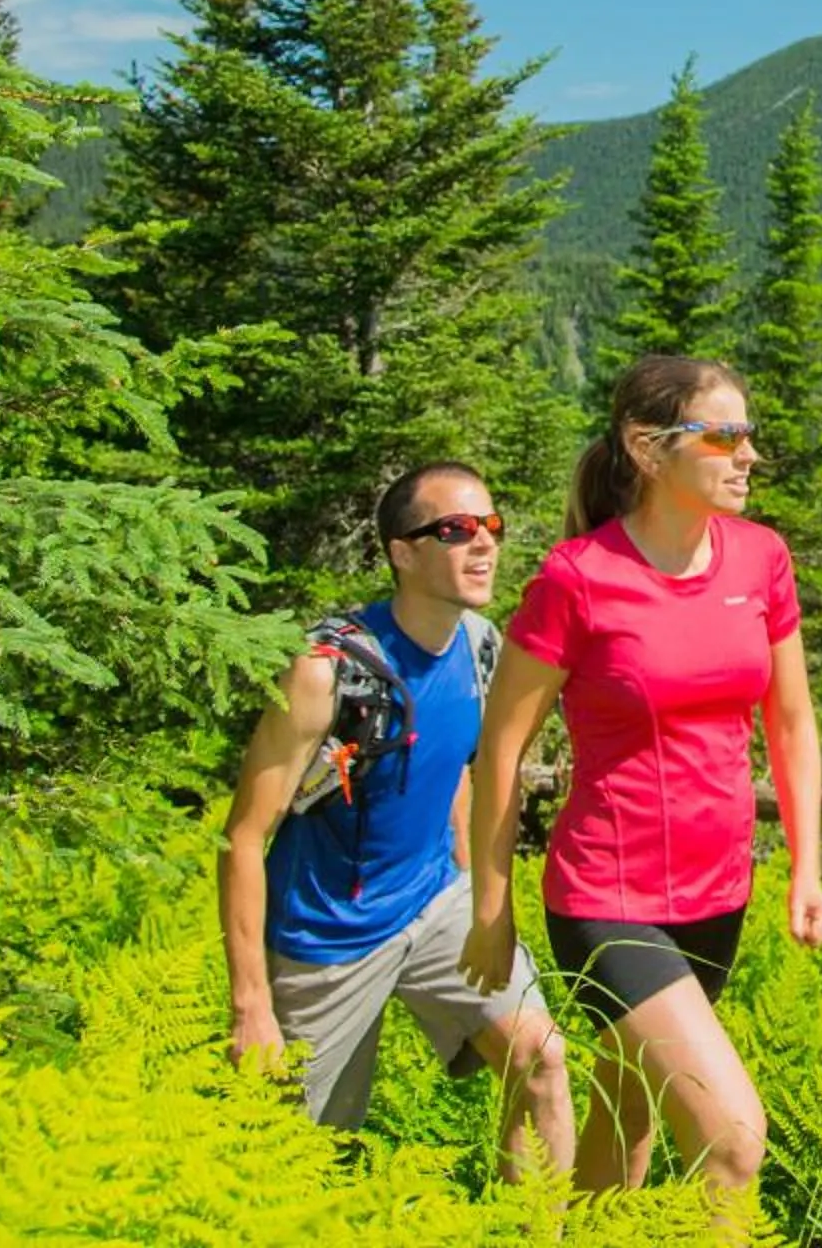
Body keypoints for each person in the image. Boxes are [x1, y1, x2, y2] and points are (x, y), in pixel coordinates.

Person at [460, 354, 822, 1208]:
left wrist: (806, 869)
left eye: (749, 434)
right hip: (608, 897)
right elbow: (501, 750)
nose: (749, 455)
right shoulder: (578, 579)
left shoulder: (761, 559)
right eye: (724, 436)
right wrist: (492, 910)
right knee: (733, 1140)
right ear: (646, 447)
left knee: (627, 1105)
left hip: (717, 893)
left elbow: (791, 721)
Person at [219, 460, 573, 1178]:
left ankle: (540, 1228)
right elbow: (243, 839)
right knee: (304, 1161)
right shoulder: (327, 671)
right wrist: (250, 1004)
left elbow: (456, 774)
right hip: (326, 938)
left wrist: (479, 902)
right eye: (457, 529)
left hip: (434, 903)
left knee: (541, 1061)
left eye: (492, 525)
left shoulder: (480, 645)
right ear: (403, 554)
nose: (484, 543)